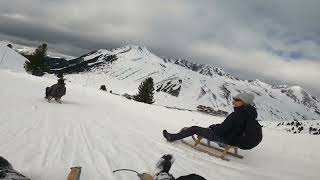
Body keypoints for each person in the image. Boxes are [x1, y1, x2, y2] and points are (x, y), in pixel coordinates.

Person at [163, 92, 262, 150]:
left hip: (226, 138)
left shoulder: (237, 115)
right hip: (233, 138)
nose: (233, 102)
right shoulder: (249, 115)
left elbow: (221, 131)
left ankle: (172, 137)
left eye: (236, 100)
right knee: (206, 129)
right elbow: (232, 127)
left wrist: (213, 127)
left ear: (243, 102)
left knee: (194, 128)